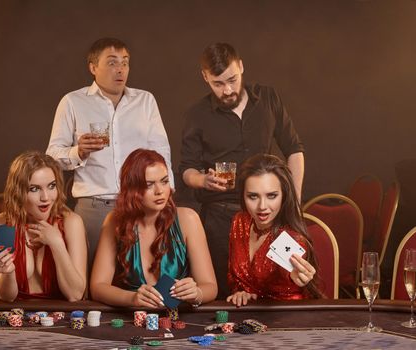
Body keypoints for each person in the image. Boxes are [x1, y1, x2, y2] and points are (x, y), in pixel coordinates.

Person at [180, 43, 305, 298]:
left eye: (232, 80)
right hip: (220, 218)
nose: (227, 90)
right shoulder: (196, 115)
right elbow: (185, 169)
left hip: (267, 213)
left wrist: (294, 202)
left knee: (280, 288)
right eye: (217, 83)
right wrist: (203, 180)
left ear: (241, 66)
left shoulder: (268, 98)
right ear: (205, 77)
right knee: (225, 295)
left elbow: (294, 150)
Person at [47, 38, 173, 266]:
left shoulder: (145, 100)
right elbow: (52, 158)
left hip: (139, 206)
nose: (121, 69)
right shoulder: (73, 102)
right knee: (90, 282)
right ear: (93, 67)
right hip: (93, 207)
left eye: (125, 63)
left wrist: (167, 194)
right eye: (112, 62)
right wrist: (79, 152)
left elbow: (161, 152)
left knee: (138, 277)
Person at [90, 149, 217, 307]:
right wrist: (132, 298)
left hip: (178, 320)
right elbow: (97, 287)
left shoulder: (188, 219)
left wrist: (197, 293)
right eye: (149, 185)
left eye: (164, 181)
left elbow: (210, 287)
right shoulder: (115, 222)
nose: (160, 191)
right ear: (132, 189)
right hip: (132, 319)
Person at [0, 151, 87, 301]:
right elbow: (6, 297)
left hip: (61, 319)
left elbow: (75, 295)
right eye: (34, 189)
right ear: (18, 192)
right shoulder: (0, 225)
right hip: (17, 317)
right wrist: (8, 273)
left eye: (51, 186)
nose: (46, 198)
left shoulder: (71, 223)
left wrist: (57, 244)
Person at [227, 154, 321, 306]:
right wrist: (240, 292)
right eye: (253, 196)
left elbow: (290, 275)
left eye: (272, 196)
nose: (262, 206)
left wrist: (295, 279)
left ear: (284, 195)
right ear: (242, 196)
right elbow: (234, 278)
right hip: (246, 318)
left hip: (286, 320)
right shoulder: (240, 222)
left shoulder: (293, 238)